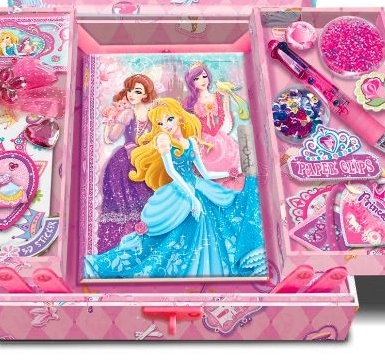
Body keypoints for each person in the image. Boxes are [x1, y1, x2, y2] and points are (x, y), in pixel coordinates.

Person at [83, 98, 266, 280]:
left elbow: (205, 173)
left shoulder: (190, 141)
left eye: (169, 119)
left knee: (219, 217)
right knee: (165, 238)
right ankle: (106, 265)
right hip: (179, 191)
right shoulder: (165, 142)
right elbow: (172, 172)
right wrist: (192, 198)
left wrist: (232, 172)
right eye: (160, 123)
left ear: (179, 117)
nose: (166, 126)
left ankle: (210, 269)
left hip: (198, 186)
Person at [96, 74, 156, 252]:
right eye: (129, 90)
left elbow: (110, 137)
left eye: (137, 91)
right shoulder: (130, 113)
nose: (131, 94)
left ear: (145, 94)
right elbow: (111, 138)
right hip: (130, 162)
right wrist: (111, 121)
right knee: (131, 201)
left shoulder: (149, 112)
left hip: (143, 160)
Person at [183, 63, 241, 183]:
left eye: (204, 76)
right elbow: (186, 122)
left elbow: (224, 117)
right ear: (191, 82)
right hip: (201, 139)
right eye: (196, 79)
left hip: (219, 136)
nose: (202, 81)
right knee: (205, 167)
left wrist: (226, 99)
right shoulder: (190, 101)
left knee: (229, 159)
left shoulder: (217, 97)